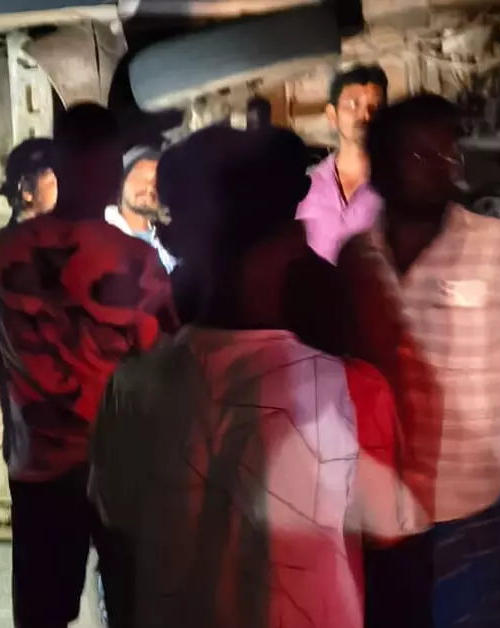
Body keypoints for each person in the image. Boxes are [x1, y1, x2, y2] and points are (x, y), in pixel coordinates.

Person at [90, 124, 418, 628]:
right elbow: (388, 555)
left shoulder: (130, 388)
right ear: (291, 238)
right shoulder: (354, 391)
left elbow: (117, 544)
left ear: (171, 237)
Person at [340, 94, 500, 628]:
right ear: (381, 163)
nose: (441, 166)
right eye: (420, 154)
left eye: (447, 152)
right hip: (381, 520)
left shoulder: (498, 248)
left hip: (477, 507)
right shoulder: (357, 258)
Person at [0, 102, 177, 628]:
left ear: (59, 165)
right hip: (124, 467)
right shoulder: (140, 263)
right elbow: (168, 362)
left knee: (43, 614)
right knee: (135, 607)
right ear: (113, 170)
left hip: (40, 466)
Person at [0, 137, 58, 469]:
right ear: (26, 190)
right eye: (55, 179)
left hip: (29, 444)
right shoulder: (70, 251)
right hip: (56, 440)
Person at [296, 64, 388, 263]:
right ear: (332, 115)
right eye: (353, 105)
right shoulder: (307, 188)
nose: (365, 116)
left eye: (375, 108)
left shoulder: (396, 186)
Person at [104, 146, 177, 272]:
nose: (150, 188)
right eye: (141, 178)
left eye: (157, 182)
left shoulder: (172, 244)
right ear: (123, 180)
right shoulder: (101, 231)